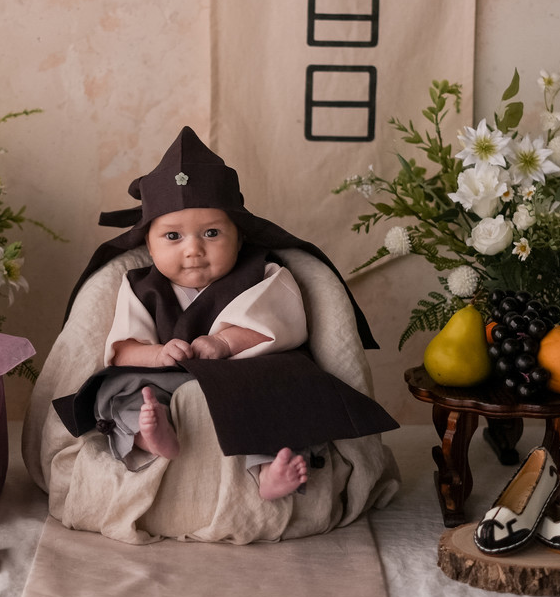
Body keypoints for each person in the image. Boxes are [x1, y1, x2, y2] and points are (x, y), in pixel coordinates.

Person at [52, 127, 397, 501]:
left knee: (287, 386)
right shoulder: (138, 286)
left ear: (240, 235)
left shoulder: (264, 273)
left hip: (243, 377)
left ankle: (270, 469)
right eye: (173, 236)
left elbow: (278, 326)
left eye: (212, 233)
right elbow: (122, 349)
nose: (193, 249)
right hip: (167, 381)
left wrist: (224, 343)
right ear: (148, 244)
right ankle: (147, 435)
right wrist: (156, 353)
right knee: (112, 388)